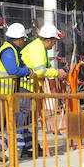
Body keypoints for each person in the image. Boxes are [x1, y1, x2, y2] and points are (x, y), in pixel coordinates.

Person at [18, 24, 67, 157]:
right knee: (23, 121)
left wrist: (56, 73)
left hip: (30, 88)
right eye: (55, 41)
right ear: (50, 40)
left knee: (28, 120)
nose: (55, 44)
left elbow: (46, 67)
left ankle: (30, 147)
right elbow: (40, 71)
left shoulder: (41, 48)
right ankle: (17, 148)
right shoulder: (37, 48)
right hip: (25, 87)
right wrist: (57, 73)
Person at [0, 23, 35, 158]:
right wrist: (27, 71)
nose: (24, 42)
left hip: (5, 94)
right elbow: (13, 70)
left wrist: (27, 69)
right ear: (19, 39)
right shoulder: (8, 50)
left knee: (5, 122)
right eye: (23, 39)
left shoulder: (13, 50)